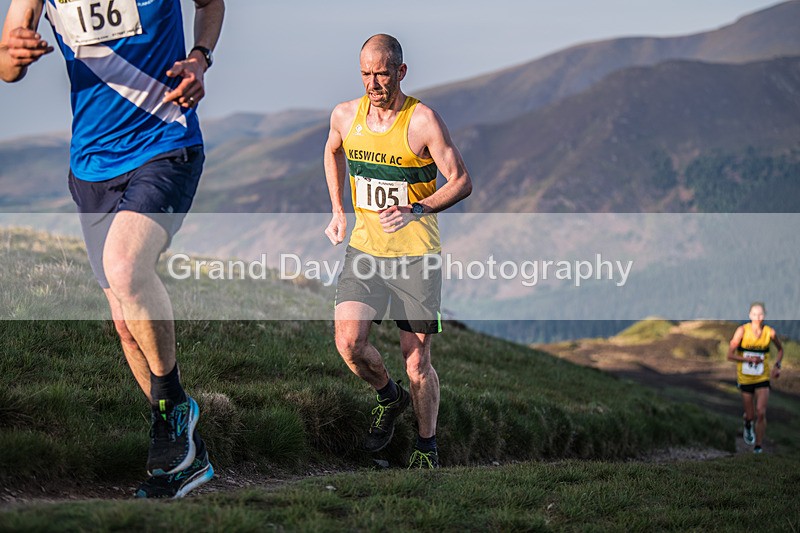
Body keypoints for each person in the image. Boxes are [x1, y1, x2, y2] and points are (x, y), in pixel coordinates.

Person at [1, 0, 224, 497]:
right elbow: (7, 64)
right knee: (125, 322)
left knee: (125, 268)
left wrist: (200, 57)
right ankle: (182, 458)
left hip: (167, 143)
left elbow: (210, 4)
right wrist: (12, 55)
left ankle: (174, 408)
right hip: (92, 164)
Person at [323, 34, 472, 469]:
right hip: (365, 250)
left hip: (415, 256)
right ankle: (390, 398)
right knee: (349, 343)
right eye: (366, 74)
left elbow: (462, 181)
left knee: (417, 362)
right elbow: (332, 150)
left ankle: (427, 449)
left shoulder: (423, 120)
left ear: (401, 72)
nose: (373, 83)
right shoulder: (345, 115)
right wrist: (338, 209)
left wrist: (418, 207)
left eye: (382, 73)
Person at [727, 302, 784, 454]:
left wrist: (777, 365)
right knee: (751, 414)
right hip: (745, 378)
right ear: (749, 315)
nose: (757, 318)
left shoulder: (769, 332)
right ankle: (747, 423)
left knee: (761, 412)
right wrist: (749, 360)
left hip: (762, 377)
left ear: (764, 316)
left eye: (760, 315)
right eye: (754, 314)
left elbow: (780, 350)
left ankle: (758, 446)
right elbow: (730, 355)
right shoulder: (742, 331)